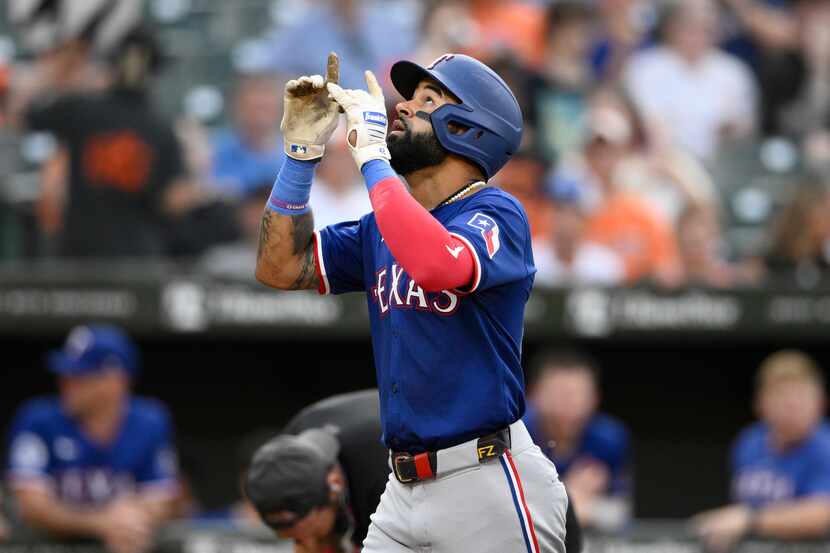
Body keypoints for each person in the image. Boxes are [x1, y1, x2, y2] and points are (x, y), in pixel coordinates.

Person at [255, 51, 568, 552]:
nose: (403, 107)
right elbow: (280, 267)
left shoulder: (498, 212)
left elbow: (438, 265)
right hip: (401, 490)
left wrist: (373, 157)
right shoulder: (382, 227)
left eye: (428, 99)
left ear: (469, 128)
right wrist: (299, 156)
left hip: (484, 479)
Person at [245, 390, 585, 553]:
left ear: (333, 486)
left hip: (514, 500)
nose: (302, 545)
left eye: (305, 535)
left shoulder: (384, 470)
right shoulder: (289, 450)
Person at [12, 1, 207, 258]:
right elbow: (172, 200)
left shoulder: (85, 110)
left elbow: (21, 113)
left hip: (83, 255)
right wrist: (201, 180)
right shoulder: (159, 126)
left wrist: (59, 69)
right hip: (134, 261)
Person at [5, 324, 180, 553]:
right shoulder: (38, 420)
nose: (65, 384)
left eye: (79, 376)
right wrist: (101, 523)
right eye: (65, 375)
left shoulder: (150, 421)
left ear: (115, 381)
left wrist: (132, 520)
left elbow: (161, 498)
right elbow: (32, 507)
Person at [693, 350, 830, 552]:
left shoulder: (825, 446)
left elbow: (822, 514)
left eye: (801, 396)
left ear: (820, 403)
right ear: (760, 404)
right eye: (782, 396)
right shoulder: (749, 442)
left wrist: (750, 519)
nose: (792, 406)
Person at [623, 0, 758, 160]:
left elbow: (744, 127)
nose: (698, 34)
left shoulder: (733, 71)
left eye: (707, 28)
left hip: (723, 166)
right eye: (690, 25)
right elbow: (650, 128)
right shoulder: (644, 67)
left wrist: (731, 130)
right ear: (671, 26)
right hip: (662, 164)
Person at [523, 350, 631, 533]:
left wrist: (588, 510)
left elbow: (620, 513)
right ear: (534, 395)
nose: (571, 403)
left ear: (595, 398)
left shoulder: (609, 438)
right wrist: (568, 497)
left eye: (580, 394)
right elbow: (505, 509)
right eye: (560, 394)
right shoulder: (514, 434)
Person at [211, 71, 286, 199]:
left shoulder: (294, 156)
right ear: (237, 107)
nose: (259, 116)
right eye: (253, 107)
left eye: (265, 107)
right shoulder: (216, 149)